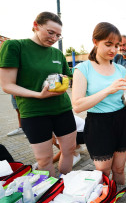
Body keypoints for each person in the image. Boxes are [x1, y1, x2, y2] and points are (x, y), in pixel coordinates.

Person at [0, 12, 77, 177]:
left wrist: (64, 83)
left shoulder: (57, 54)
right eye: (50, 32)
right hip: (34, 112)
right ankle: (51, 194)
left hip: (62, 109)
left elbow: (67, 76)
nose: (54, 38)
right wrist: (38, 95)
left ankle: (66, 183)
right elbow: (7, 85)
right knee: (44, 159)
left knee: (69, 150)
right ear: (36, 25)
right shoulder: (15, 46)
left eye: (58, 35)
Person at [72, 22, 126, 185]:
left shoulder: (120, 69)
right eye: (108, 44)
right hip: (98, 124)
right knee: (103, 172)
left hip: (121, 120)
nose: (113, 50)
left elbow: (124, 95)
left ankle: (118, 200)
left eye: (117, 46)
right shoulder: (83, 69)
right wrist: (107, 90)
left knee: (119, 169)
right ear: (95, 41)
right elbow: (77, 105)